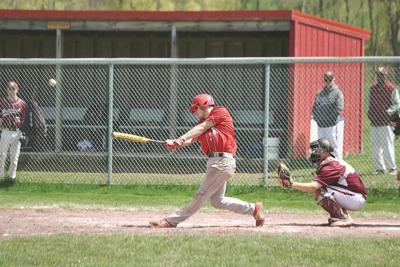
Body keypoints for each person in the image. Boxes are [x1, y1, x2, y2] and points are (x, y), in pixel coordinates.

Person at [149, 93, 265, 228]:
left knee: (201, 194)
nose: (195, 113)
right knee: (218, 201)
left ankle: (171, 221)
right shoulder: (202, 123)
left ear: (203, 105)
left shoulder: (220, 111)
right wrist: (176, 143)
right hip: (214, 162)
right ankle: (253, 209)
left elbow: (201, 128)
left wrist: (180, 138)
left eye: (196, 109)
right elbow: (193, 138)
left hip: (222, 162)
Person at [278, 138, 367, 227]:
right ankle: (341, 214)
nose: (313, 153)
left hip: (356, 198)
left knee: (318, 190)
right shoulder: (329, 162)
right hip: (353, 195)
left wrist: (291, 184)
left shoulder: (330, 166)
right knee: (321, 188)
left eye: (316, 150)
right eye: (312, 150)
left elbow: (313, 187)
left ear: (326, 152)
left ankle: (342, 217)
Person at [367, 67, 400, 175]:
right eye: (378, 75)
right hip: (374, 121)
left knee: (387, 145)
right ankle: (379, 168)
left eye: (382, 75)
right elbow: (370, 103)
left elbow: (397, 104)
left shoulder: (391, 88)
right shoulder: (372, 88)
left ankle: (392, 168)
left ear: (385, 76)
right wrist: (369, 112)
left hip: (386, 122)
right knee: (375, 145)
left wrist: (388, 112)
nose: (379, 77)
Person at [312, 71, 344, 159]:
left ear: (334, 79)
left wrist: (328, 118)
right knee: (321, 146)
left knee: (333, 146)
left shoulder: (337, 93)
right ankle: (323, 167)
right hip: (321, 125)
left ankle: (338, 165)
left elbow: (339, 108)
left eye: (330, 79)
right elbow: (314, 108)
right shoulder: (319, 93)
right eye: (326, 79)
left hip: (332, 125)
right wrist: (318, 119)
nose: (328, 82)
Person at [0, 81, 27, 182]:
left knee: (14, 156)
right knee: (2, 154)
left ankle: (11, 177)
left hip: (17, 131)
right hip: (6, 131)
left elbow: (25, 119)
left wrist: (23, 132)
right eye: (9, 88)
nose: (11, 91)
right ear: (6, 90)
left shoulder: (22, 104)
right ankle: (0, 174)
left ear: (17, 90)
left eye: (13, 89)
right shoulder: (2, 102)